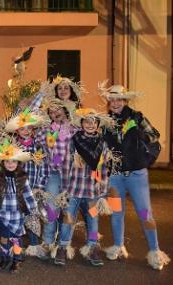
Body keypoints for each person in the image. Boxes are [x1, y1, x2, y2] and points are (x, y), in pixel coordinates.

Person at [99, 83, 170, 270]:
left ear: (125, 100)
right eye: (112, 99)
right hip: (114, 177)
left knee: (145, 212)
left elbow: (154, 136)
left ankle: (155, 251)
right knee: (116, 212)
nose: (115, 103)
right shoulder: (105, 121)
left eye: (119, 99)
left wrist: (139, 136)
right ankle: (118, 246)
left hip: (137, 175)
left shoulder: (137, 117)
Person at [55, 108, 115, 266]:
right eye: (86, 121)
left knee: (93, 221)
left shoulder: (102, 144)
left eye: (93, 122)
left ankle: (92, 248)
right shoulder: (74, 141)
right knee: (68, 220)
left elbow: (105, 168)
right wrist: (64, 188)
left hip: (93, 192)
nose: (90, 124)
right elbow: (65, 165)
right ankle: (62, 247)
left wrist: (102, 190)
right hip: (74, 189)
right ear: (81, 124)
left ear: (97, 125)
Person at [0, 139, 37, 273]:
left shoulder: (22, 178)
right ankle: (5, 257)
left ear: (18, 163)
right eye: (7, 161)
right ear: (3, 163)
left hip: (17, 214)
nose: (10, 164)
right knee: (4, 237)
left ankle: (17, 260)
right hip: (2, 214)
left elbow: (28, 194)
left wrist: (33, 209)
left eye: (13, 161)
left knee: (16, 238)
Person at [35, 98, 78, 259]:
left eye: (57, 110)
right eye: (51, 112)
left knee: (68, 211)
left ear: (64, 110)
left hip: (71, 176)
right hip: (53, 175)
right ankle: (47, 242)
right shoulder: (46, 129)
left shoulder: (74, 128)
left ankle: (63, 245)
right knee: (51, 208)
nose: (55, 114)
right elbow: (35, 144)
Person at [4, 108, 48, 258]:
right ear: (17, 130)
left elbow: (43, 167)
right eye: (22, 128)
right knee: (16, 216)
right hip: (16, 188)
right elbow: (7, 166)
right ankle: (15, 246)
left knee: (32, 216)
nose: (26, 131)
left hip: (33, 187)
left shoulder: (38, 146)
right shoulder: (12, 147)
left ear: (33, 129)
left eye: (29, 128)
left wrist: (39, 186)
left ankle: (35, 245)